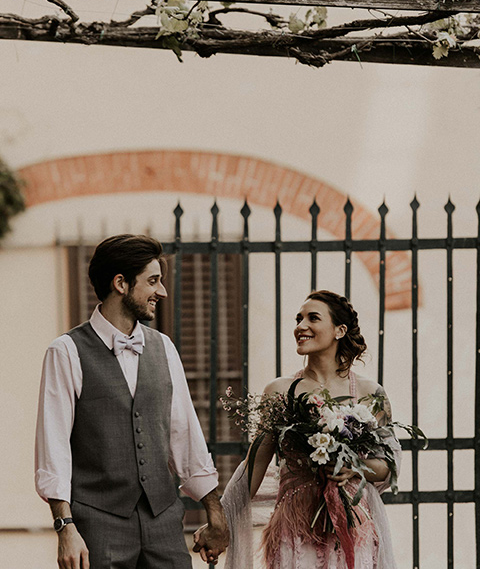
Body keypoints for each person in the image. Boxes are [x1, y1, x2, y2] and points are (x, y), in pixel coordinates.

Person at [35, 234, 229, 569]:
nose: (162, 292)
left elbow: (184, 436)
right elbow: (53, 447)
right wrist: (65, 527)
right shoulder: (66, 351)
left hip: (163, 519)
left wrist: (216, 513)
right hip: (97, 522)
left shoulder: (164, 347)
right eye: (153, 281)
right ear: (121, 283)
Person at [213, 289, 401, 569]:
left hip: (352, 526)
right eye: (298, 319)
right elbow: (254, 464)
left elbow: (388, 465)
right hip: (295, 527)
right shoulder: (280, 390)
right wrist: (220, 520)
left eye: (313, 318)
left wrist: (355, 467)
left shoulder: (369, 393)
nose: (300, 327)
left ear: (339, 330)